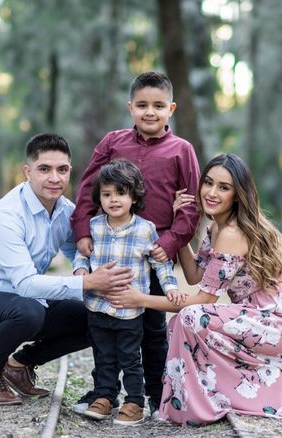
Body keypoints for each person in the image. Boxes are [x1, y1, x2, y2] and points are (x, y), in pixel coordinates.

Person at [108, 153, 282, 425]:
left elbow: (203, 299)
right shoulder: (216, 226)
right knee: (187, 319)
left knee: (192, 317)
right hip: (260, 317)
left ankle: (200, 402)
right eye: (208, 183)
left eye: (223, 187)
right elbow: (193, 275)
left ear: (238, 194)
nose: (212, 192)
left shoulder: (231, 232)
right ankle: (205, 397)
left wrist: (140, 299)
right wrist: (180, 223)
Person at [0, 133, 133, 406]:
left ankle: (20, 364)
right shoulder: (7, 215)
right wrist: (87, 284)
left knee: (95, 316)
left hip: (25, 303)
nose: (54, 178)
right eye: (44, 169)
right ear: (28, 172)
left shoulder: (66, 212)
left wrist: (83, 272)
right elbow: (25, 284)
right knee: (28, 311)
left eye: (62, 170)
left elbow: (77, 251)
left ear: (70, 171)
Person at [70, 71, 201, 417]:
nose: (150, 112)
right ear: (130, 107)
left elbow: (191, 205)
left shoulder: (182, 150)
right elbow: (87, 188)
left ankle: (155, 397)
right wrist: (83, 230)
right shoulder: (113, 142)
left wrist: (171, 242)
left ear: (171, 108)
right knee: (105, 321)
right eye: (142, 105)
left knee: (153, 328)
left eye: (158, 106)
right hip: (112, 250)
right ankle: (106, 391)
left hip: (154, 250)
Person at [73, 160, 183, 425]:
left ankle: (134, 402)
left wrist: (171, 289)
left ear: (134, 196)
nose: (113, 200)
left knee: (131, 358)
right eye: (107, 194)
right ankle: (104, 397)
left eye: (121, 193)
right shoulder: (96, 226)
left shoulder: (145, 229)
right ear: (99, 197)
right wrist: (80, 272)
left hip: (129, 312)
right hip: (98, 306)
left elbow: (161, 263)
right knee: (103, 356)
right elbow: (82, 256)